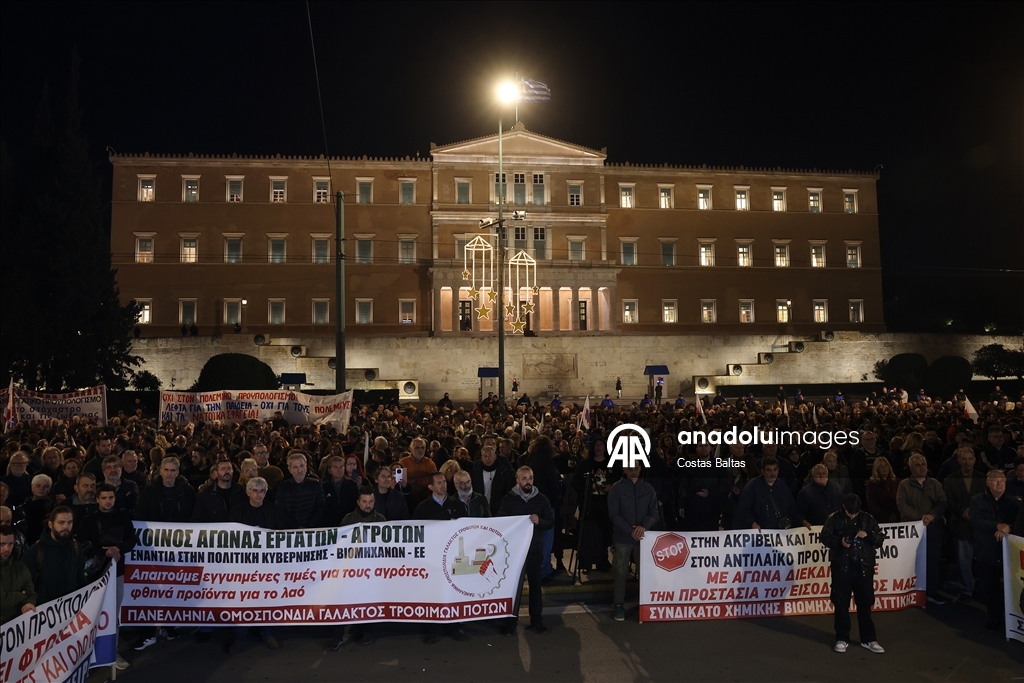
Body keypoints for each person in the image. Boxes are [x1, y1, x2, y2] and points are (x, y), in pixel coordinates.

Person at [820, 494, 885, 654]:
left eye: (855, 513)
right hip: (842, 568)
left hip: (863, 568)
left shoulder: (868, 518)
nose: (853, 515)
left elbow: (880, 540)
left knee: (865, 604)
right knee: (841, 604)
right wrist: (839, 541)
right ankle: (842, 638)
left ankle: (869, 639)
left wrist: (868, 535)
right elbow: (824, 537)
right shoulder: (834, 518)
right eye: (850, 513)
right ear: (844, 507)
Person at [227, 477, 282, 652]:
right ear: (248, 492)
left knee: (267, 599)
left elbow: (283, 536)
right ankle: (239, 636)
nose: (259, 495)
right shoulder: (237, 511)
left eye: (262, 491)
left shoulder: (274, 510)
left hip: (268, 564)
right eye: (255, 491)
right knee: (243, 600)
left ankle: (268, 634)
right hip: (244, 565)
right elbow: (230, 536)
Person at [498, 466, 554, 636]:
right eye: (524, 478)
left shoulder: (542, 499)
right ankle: (510, 622)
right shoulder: (508, 499)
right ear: (517, 480)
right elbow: (501, 521)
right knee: (514, 588)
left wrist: (539, 521)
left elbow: (550, 522)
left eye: (530, 478)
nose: (528, 482)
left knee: (535, 586)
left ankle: (536, 620)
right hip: (515, 552)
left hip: (535, 549)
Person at [331, 488, 388, 649]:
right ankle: (338, 635)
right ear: (358, 502)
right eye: (364, 502)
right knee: (343, 601)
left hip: (371, 569)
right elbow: (340, 542)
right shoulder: (349, 519)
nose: (368, 505)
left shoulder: (380, 519)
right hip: (351, 568)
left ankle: (367, 632)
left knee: (368, 600)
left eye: (371, 502)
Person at [970, 470, 1022, 629]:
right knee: (990, 587)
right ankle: (995, 618)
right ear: (987, 482)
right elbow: (975, 521)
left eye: (1003, 481)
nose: (1000, 484)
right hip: (987, 550)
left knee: (1011, 586)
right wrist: (997, 526)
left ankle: (1012, 618)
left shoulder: (1014, 502)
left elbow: (1019, 522)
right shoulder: (977, 500)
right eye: (995, 480)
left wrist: (1008, 527)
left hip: (1008, 552)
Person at [608, 464, 658, 621]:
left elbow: (654, 512)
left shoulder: (648, 489)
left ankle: (645, 604)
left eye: (636, 468)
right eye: (629, 468)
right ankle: (618, 604)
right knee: (620, 572)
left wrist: (643, 527)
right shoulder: (616, 489)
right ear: (624, 469)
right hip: (623, 538)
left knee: (645, 573)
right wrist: (631, 530)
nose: (633, 471)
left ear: (640, 468)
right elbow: (614, 514)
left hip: (644, 538)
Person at [897, 453, 947, 604]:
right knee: (912, 561)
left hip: (933, 528)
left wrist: (932, 515)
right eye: (917, 465)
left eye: (923, 464)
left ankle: (932, 591)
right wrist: (921, 517)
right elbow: (902, 505)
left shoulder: (935, 484)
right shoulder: (904, 485)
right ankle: (911, 591)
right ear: (911, 468)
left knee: (933, 561)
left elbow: (942, 503)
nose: (921, 468)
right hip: (912, 530)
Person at [943, 447, 987, 601]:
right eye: (964, 459)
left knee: (983, 561)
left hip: (980, 525)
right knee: (963, 561)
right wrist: (962, 511)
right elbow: (948, 500)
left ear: (975, 460)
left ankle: (983, 588)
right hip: (960, 524)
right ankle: (966, 589)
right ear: (958, 461)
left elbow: (987, 499)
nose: (967, 462)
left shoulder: (983, 478)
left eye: (970, 459)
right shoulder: (949, 479)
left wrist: (974, 512)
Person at [22, 507, 85, 604]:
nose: (66, 526)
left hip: (71, 606)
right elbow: (26, 585)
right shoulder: (35, 551)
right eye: (61, 522)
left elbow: (81, 578)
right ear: (51, 524)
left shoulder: (76, 548)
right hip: (44, 608)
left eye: (70, 522)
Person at [733, 457, 806, 530]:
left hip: (780, 531)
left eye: (775, 470)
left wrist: (803, 521)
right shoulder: (752, 487)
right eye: (769, 470)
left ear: (778, 470)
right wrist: (752, 523)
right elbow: (743, 509)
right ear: (763, 471)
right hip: (761, 532)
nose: (772, 473)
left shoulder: (783, 487)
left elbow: (791, 509)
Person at [137, 457, 196, 523]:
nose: (169, 473)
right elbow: (141, 515)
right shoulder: (149, 492)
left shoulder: (188, 492)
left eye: (172, 470)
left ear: (177, 472)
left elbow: (194, 515)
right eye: (166, 470)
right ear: (161, 471)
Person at [276, 451, 325, 528]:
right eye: (295, 467)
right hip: (290, 530)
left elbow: (320, 507)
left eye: (302, 466)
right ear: (289, 469)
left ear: (306, 466)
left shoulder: (316, 484)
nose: (299, 470)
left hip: (312, 529)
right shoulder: (283, 487)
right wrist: (296, 527)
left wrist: (308, 526)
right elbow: (281, 510)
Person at [1, 524, 36, 625]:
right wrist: (22, 595)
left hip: (17, 627)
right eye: (2, 544)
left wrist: (28, 603)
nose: (7, 549)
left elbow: (31, 592)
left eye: (10, 544)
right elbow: (2, 601)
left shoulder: (20, 567)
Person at [471, 445, 516, 516]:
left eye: (490, 456)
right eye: (485, 456)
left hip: (499, 508)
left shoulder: (504, 470)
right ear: (481, 457)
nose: (487, 459)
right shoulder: (476, 470)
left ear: (495, 457)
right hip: (480, 508)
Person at [398, 438, 437, 508]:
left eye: (422, 448)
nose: (420, 450)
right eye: (417, 448)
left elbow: (434, 480)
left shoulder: (430, 463)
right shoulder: (403, 463)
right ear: (410, 449)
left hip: (426, 497)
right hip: (407, 498)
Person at [321, 455, 359, 526]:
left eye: (341, 466)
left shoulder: (352, 485)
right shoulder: (323, 487)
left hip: (348, 524)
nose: (339, 470)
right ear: (329, 470)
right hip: (329, 524)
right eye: (335, 467)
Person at [864, 457, 900, 524]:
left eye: (886, 465)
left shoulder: (897, 482)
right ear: (876, 469)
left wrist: (896, 514)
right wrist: (887, 516)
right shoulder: (872, 484)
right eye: (881, 466)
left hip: (897, 517)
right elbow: (871, 503)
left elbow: (901, 499)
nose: (884, 468)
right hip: (880, 519)